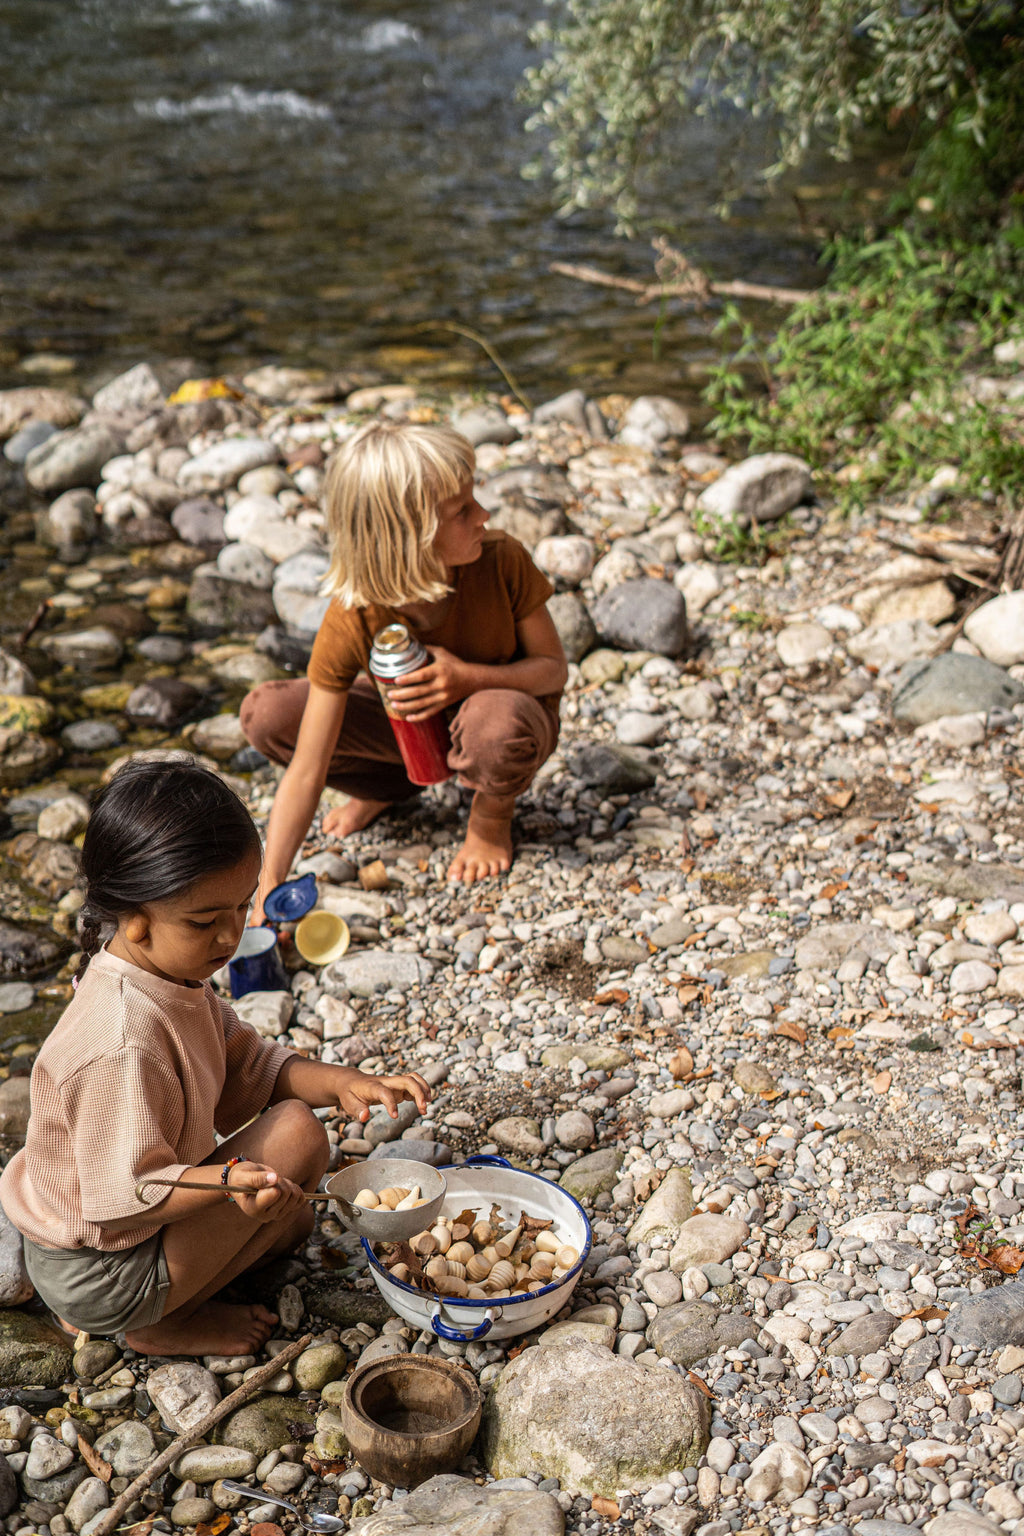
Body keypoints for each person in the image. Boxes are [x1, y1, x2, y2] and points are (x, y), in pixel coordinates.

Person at [0, 759, 429, 1358]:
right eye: (206, 921)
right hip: (99, 1263)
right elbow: (120, 1197)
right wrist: (228, 1183)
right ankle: (154, 1325)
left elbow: (245, 1066)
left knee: (296, 1213)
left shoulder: (171, 973)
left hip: (123, 1223)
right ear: (137, 922)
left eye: (241, 907)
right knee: (295, 1145)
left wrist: (345, 1082)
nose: (232, 936)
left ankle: (175, 1286)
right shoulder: (121, 1040)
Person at [241, 420, 567, 920]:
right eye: (462, 510)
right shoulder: (355, 613)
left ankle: (489, 816)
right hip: (414, 733)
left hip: (503, 716)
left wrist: (466, 678)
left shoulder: (501, 561)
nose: (483, 515)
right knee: (268, 713)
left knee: (494, 728)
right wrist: (269, 881)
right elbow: (308, 766)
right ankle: (388, 789)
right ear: (408, 538)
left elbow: (552, 671)